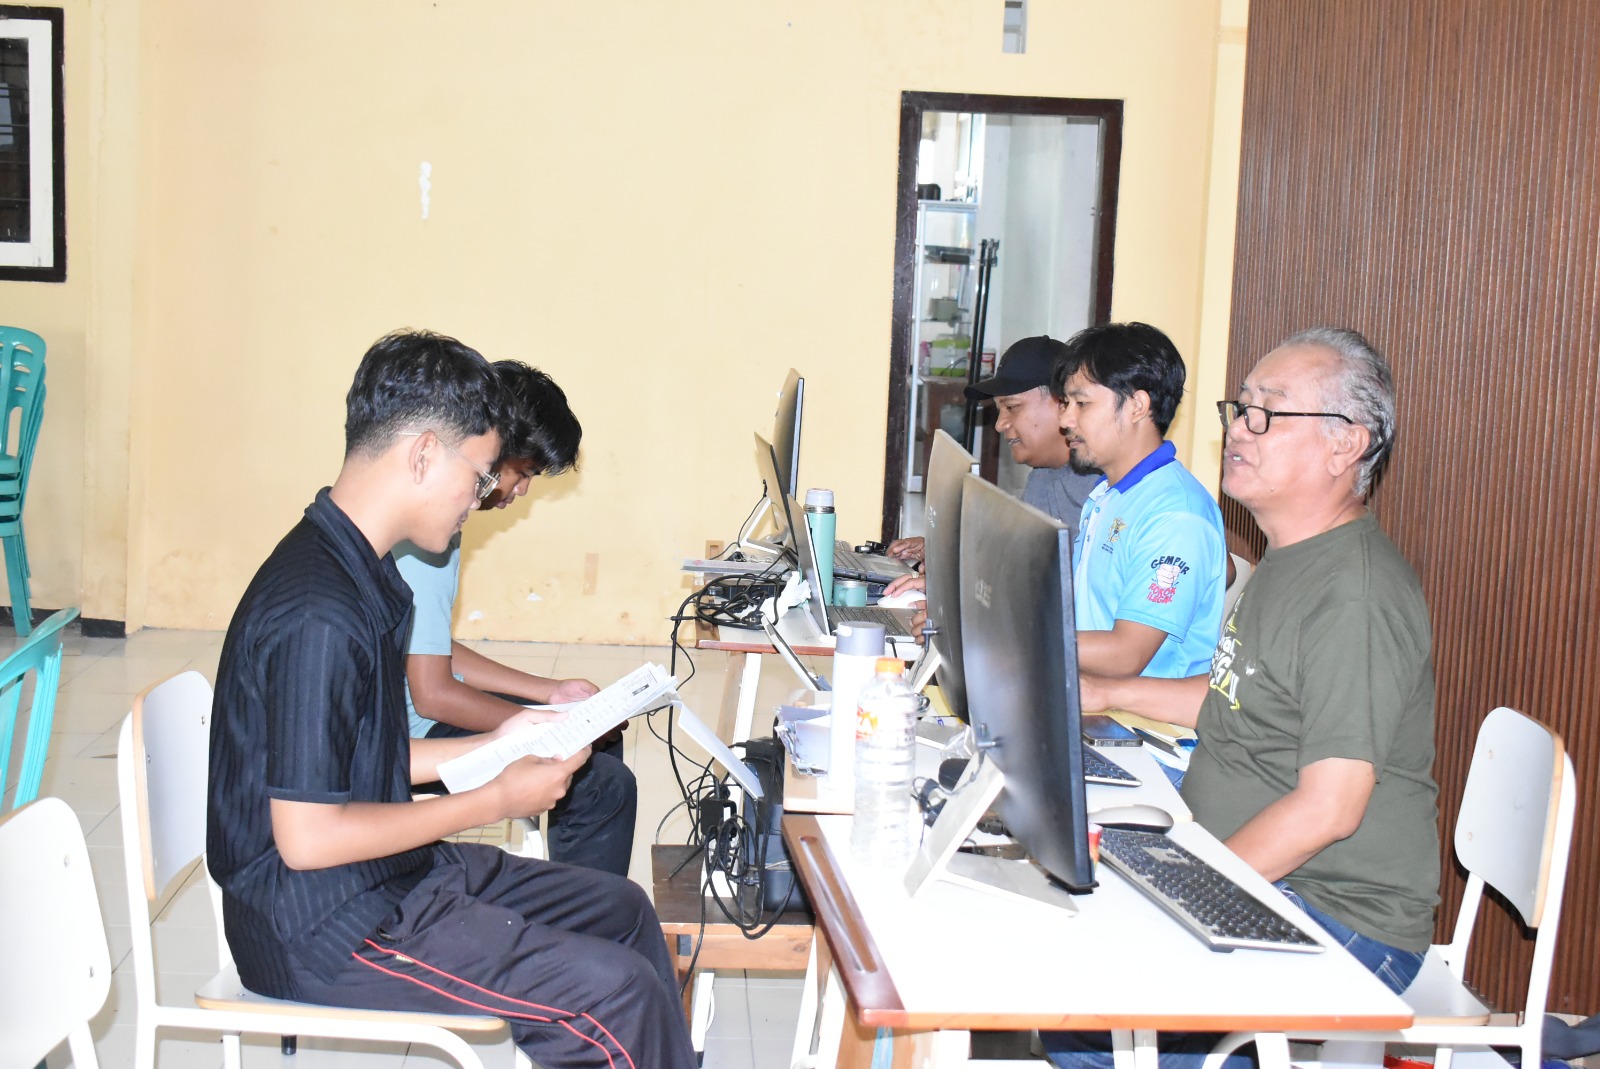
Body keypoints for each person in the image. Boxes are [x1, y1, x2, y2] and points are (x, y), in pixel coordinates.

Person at [206, 329, 696, 1069]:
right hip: (323, 927)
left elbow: (360, 758)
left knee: (622, 911)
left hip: (382, 878)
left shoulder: (358, 570)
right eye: (480, 471)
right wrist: (492, 798)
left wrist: (504, 741)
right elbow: (307, 838)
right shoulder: (319, 611)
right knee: (614, 994)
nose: (482, 494)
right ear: (424, 455)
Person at [1043, 327, 1439, 1068]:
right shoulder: (1291, 554)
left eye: (1267, 413)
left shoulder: (1353, 596)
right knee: (1064, 915)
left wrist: (1192, 887)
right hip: (1246, 857)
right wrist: (1105, 689)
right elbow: (1234, 694)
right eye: (1239, 408)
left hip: (1338, 908)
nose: (1238, 431)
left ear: (1346, 445)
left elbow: (1329, 808)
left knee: (1092, 1021)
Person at [396, 359, 637, 877]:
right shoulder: (427, 540)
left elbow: (428, 647)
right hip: (407, 742)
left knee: (598, 736)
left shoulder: (436, 524)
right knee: (603, 785)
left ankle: (574, 890)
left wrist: (551, 693)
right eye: (522, 473)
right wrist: (545, 728)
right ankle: (583, 911)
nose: (522, 489)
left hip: (418, 717)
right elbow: (432, 694)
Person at [1053, 322, 1226, 679]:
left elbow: (1125, 655)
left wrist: (1020, 637)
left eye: (1081, 403)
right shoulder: (1108, 493)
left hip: (1139, 712)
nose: (1065, 419)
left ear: (1136, 406)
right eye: (1066, 403)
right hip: (1089, 692)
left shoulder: (1176, 516)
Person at [886, 335, 1100, 565]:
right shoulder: (1041, 478)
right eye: (999, 410)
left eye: (1012, 407)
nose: (1000, 424)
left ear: (1062, 403)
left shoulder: (1101, 487)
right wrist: (943, 553)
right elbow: (1014, 559)